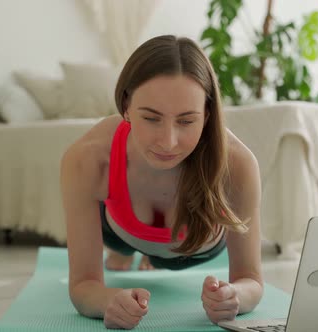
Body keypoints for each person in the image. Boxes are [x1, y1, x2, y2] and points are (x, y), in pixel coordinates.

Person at [60, 35, 263, 330]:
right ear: (126, 105)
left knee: (165, 259)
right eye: (151, 118)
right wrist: (108, 300)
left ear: (207, 114)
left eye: (186, 121)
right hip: (119, 231)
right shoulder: (87, 158)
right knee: (120, 247)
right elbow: (83, 286)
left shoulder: (239, 165)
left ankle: (148, 258)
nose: (168, 142)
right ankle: (124, 251)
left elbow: (252, 280)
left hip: (193, 250)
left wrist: (235, 296)